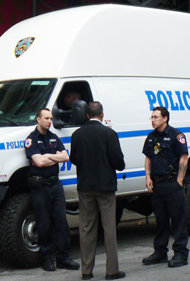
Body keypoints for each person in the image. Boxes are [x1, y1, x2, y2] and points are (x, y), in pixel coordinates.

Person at [70, 101, 126, 281]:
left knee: (86, 228)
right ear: (102, 115)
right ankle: (112, 271)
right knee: (109, 228)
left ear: (87, 115)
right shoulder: (109, 133)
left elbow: (74, 159)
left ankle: (86, 271)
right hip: (106, 186)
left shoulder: (77, 134)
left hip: (85, 186)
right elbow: (118, 161)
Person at [24, 108, 80, 272]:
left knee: (61, 222)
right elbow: (39, 163)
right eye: (46, 118)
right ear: (38, 119)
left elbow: (65, 157)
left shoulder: (54, 138)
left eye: (51, 118)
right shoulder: (31, 140)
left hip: (55, 185)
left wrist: (47, 157)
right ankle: (46, 258)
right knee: (43, 224)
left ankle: (63, 258)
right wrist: (54, 157)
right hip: (40, 187)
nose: (50, 121)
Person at [142, 106, 189, 268]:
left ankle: (181, 253)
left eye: (155, 117)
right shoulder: (151, 137)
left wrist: (179, 180)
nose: (153, 120)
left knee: (178, 220)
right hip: (157, 184)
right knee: (161, 220)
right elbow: (148, 158)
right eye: (152, 117)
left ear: (165, 118)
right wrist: (148, 177)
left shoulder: (176, 135)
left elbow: (184, 157)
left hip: (171, 183)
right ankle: (160, 252)